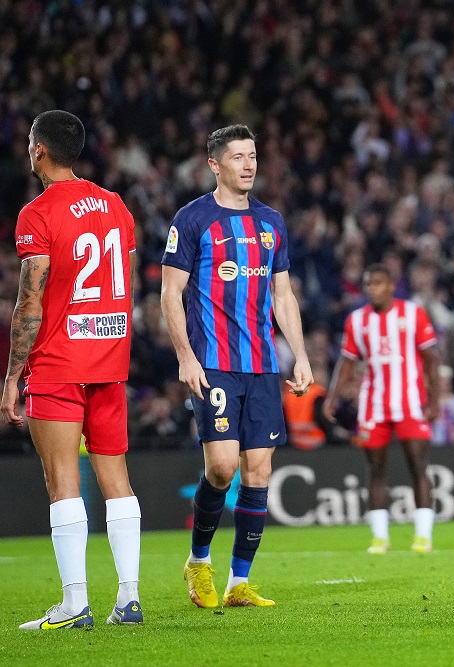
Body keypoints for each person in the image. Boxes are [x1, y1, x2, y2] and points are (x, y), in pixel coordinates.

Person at [161, 124, 312, 609]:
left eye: (252, 156)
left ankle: (238, 582)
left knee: (259, 470)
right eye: (237, 157)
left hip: (262, 365)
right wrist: (185, 356)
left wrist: (301, 355)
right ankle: (198, 560)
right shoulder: (193, 219)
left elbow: (282, 295)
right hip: (213, 363)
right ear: (214, 165)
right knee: (223, 468)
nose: (248, 165)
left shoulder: (271, 222)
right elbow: (170, 293)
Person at [1, 110, 142, 629]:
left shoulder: (37, 213)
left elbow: (28, 303)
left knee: (63, 481)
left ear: (39, 149)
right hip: (109, 359)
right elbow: (125, 284)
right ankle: (128, 599)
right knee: (117, 479)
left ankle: (75, 604)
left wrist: (13, 376)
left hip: (59, 362)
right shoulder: (116, 205)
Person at [323, 264, 441, 554]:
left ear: (391, 285)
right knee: (375, 469)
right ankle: (379, 538)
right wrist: (332, 397)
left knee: (418, 465)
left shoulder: (413, 313)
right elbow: (347, 362)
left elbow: (431, 359)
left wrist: (435, 400)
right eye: (368, 284)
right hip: (373, 405)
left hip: (410, 402)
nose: (371, 289)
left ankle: (423, 536)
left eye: (377, 283)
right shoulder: (357, 320)